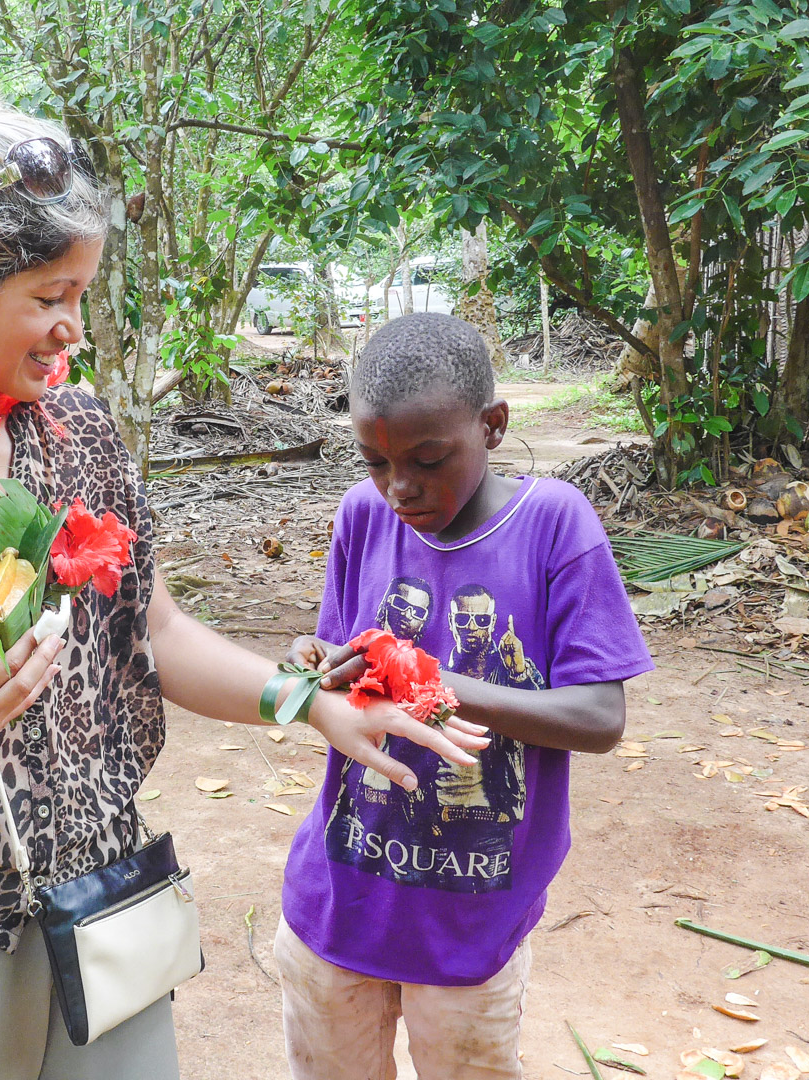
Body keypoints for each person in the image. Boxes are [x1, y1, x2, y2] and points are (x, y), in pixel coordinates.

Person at [0, 41, 485, 1080]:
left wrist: (309, 701)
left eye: (82, 292)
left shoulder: (76, 431)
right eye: (49, 295)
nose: (72, 329)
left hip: (101, 888)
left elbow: (154, 631)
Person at [280, 313, 654, 1080]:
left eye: (428, 458)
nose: (400, 488)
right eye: (376, 462)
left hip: (469, 914)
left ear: (492, 425)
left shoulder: (553, 525)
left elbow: (599, 717)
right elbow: (344, 673)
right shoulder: (362, 515)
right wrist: (316, 666)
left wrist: (439, 684)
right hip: (340, 894)